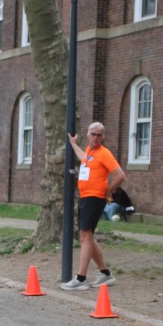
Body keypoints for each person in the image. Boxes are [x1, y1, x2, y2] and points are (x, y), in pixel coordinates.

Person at [61, 122, 126, 290]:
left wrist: (108, 190)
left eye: (99, 135)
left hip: (95, 197)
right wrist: (73, 144)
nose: (96, 137)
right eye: (93, 134)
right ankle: (105, 274)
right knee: (87, 236)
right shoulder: (89, 151)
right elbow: (83, 157)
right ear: (88, 135)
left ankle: (81, 278)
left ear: (103, 137)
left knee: (85, 235)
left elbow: (120, 175)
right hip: (85, 197)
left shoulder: (104, 153)